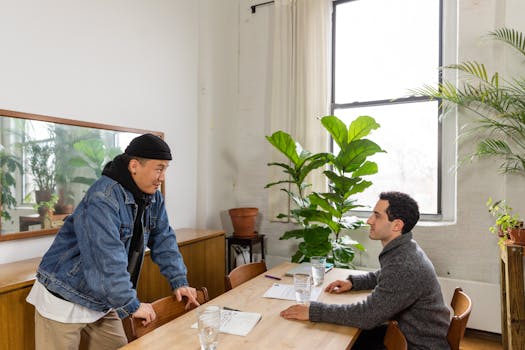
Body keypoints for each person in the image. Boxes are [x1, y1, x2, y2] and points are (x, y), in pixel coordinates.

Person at [26, 133, 199, 350]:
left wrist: (179, 280)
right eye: (159, 168)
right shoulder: (103, 198)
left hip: (103, 297)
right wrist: (131, 304)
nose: (162, 177)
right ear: (134, 165)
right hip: (65, 295)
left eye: (165, 169)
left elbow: (164, 239)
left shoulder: (153, 197)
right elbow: (106, 259)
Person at [280, 191, 450, 350]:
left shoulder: (405, 264)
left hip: (417, 345)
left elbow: (367, 315)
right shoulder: (405, 250)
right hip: (404, 334)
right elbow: (385, 275)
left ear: (397, 225)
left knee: (329, 341)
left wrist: (313, 311)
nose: (369, 221)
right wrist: (353, 283)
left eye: (377, 216)